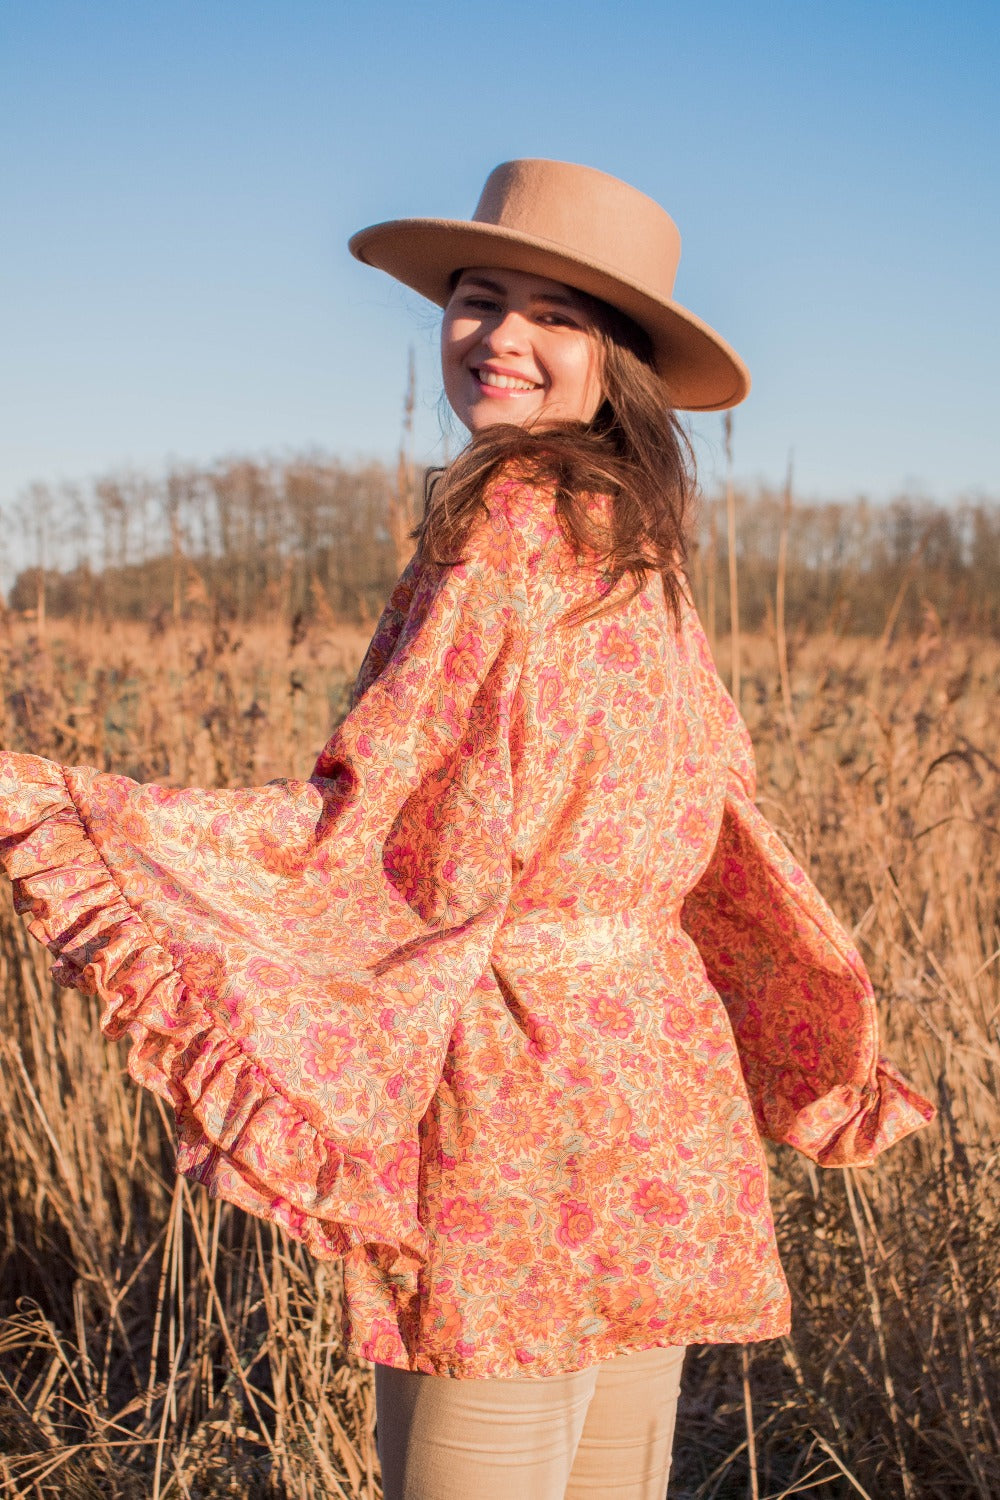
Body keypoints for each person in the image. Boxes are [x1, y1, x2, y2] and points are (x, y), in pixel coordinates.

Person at [0, 159, 933, 1500]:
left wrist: (88, 819)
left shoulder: (502, 516)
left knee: (474, 1469)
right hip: (660, 1072)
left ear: (615, 360)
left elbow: (383, 828)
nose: (501, 337)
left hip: (521, 1078)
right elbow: (711, 814)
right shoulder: (635, 536)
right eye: (478, 299)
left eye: (555, 315)